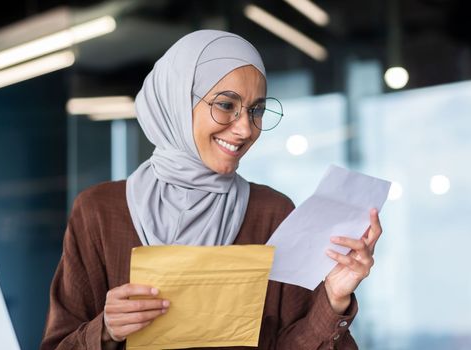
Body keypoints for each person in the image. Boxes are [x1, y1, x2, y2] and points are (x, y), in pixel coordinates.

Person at [40, 29, 382, 350]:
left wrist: (334, 298)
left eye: (256, 110)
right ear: (176, 101)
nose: (245, 128)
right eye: (225, 105)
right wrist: (106, 328)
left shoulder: (271, 213)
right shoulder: (99, 211)